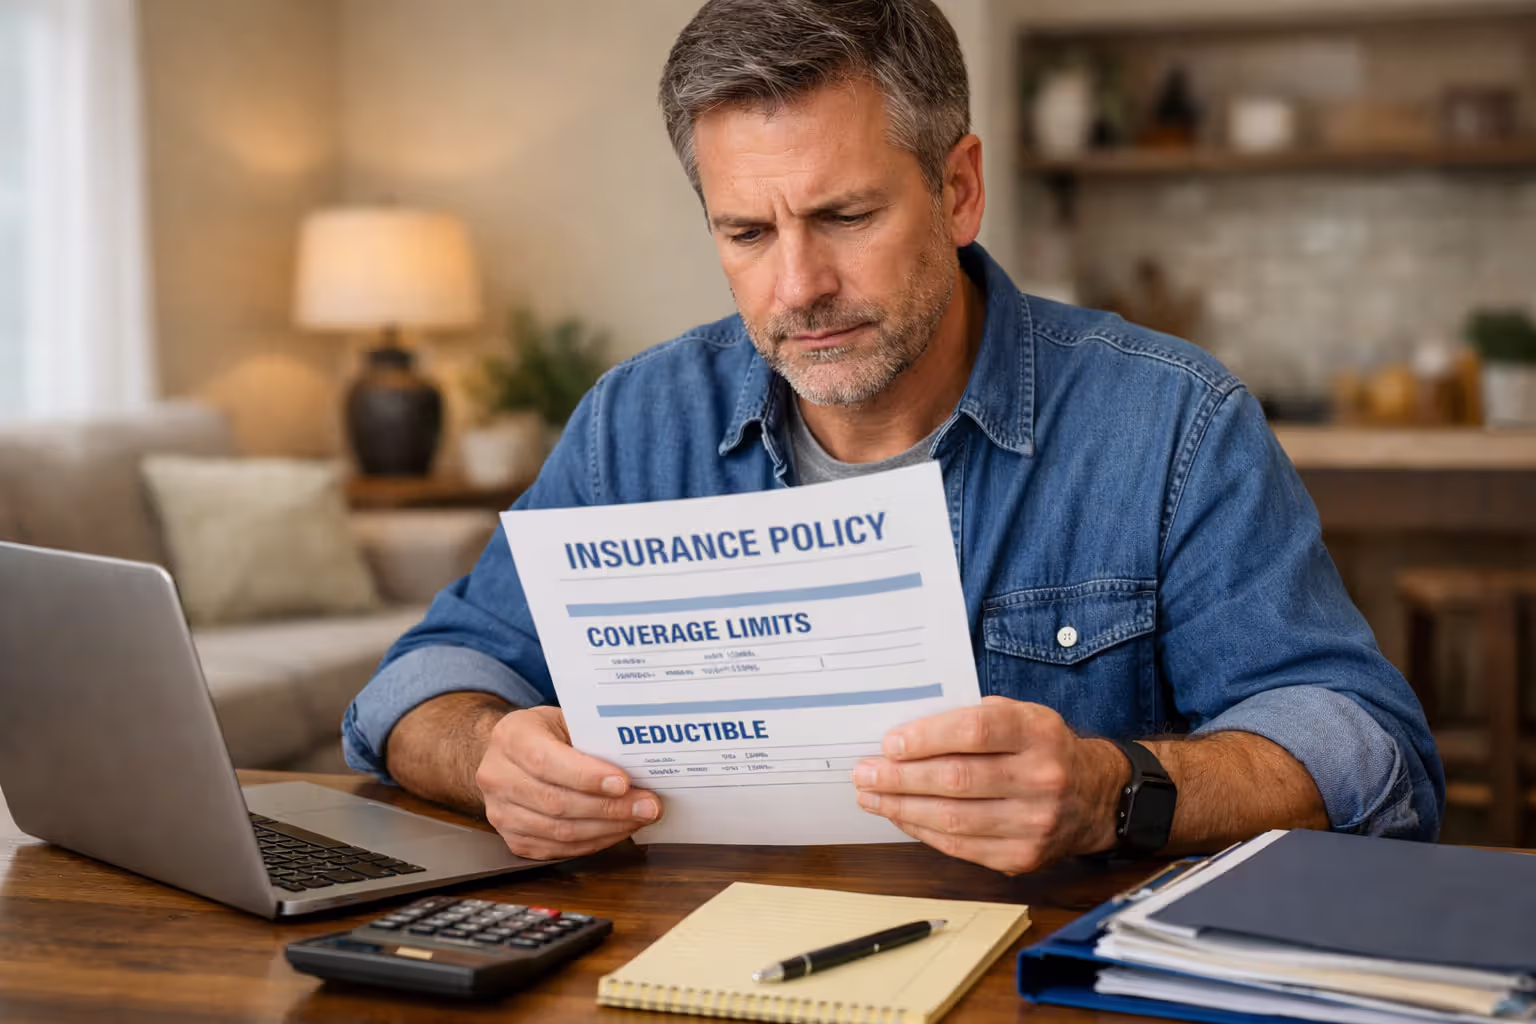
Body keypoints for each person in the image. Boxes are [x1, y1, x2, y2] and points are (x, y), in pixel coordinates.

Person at [343, 0, 1443, 874]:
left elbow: (1364, 746)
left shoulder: (1169, 422)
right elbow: (419, 682)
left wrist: (1116, 789)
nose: (799, 287)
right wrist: (492, 756)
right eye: (746, 231)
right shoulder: (637, 422)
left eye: (845, 217)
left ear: (958, 189)